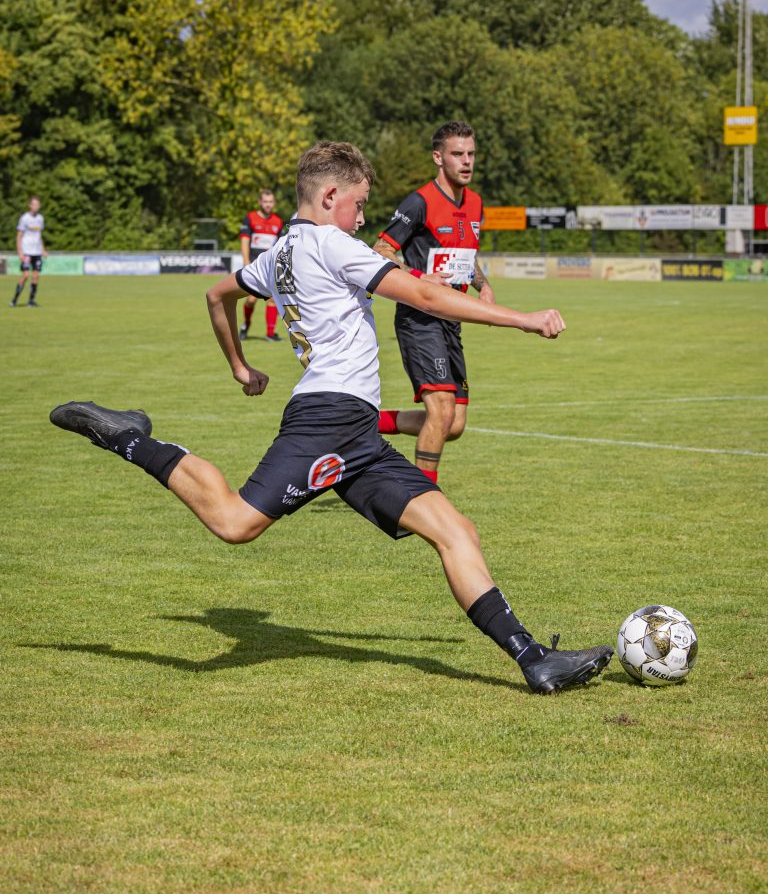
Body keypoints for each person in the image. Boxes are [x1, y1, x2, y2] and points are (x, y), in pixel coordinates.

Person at [49, 141, 612, 694]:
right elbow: (426, 299)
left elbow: (216, 296)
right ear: (330, 196)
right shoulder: (332, 245)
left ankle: (534, 660)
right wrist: (523, 318)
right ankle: (129, 438)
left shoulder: (276, 255)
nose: (363, 218)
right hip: (328, 419)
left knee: (455, 530)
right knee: (234, 522)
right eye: (360, 205)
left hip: (357, 432)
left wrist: (241, 368)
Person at [373, 121, 492, 484]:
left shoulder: (475, 203)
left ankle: (367, 421)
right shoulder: (419, 202)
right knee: (440, 410)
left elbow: (466, 256)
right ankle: (422, 495)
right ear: (438, 157)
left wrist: (483, 285)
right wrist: (417, 275)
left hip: (451, 320)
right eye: (458, 154)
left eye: (471, 154)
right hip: (419, 317)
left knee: (453, 424)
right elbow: (381, 251)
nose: (467, 161)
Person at [239, 188, 283, 341]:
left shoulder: (278, 222)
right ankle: (245, 324)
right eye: (265, 202)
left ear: (274, 203)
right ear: (259, 202)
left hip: (270, 267)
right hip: (253, 265)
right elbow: (244, 240)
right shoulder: (250, 218)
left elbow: (279, 246)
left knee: (272, 299)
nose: (268, 205)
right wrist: (246, 262)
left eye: (270, 202)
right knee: (251, 299)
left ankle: (270, 333)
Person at [10, 195, 47, 307]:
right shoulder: (25, 218)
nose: (35, 207)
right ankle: (14, 299)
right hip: (26, 251)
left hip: (36, 252)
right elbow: (19, 235)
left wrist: (43, 249)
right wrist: (20, 252)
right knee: (26, 275)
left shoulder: (40, 218)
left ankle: (31, 301)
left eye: (37, 204)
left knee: (35, 276)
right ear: (30, 205)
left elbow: (39, 235)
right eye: (33, 204)